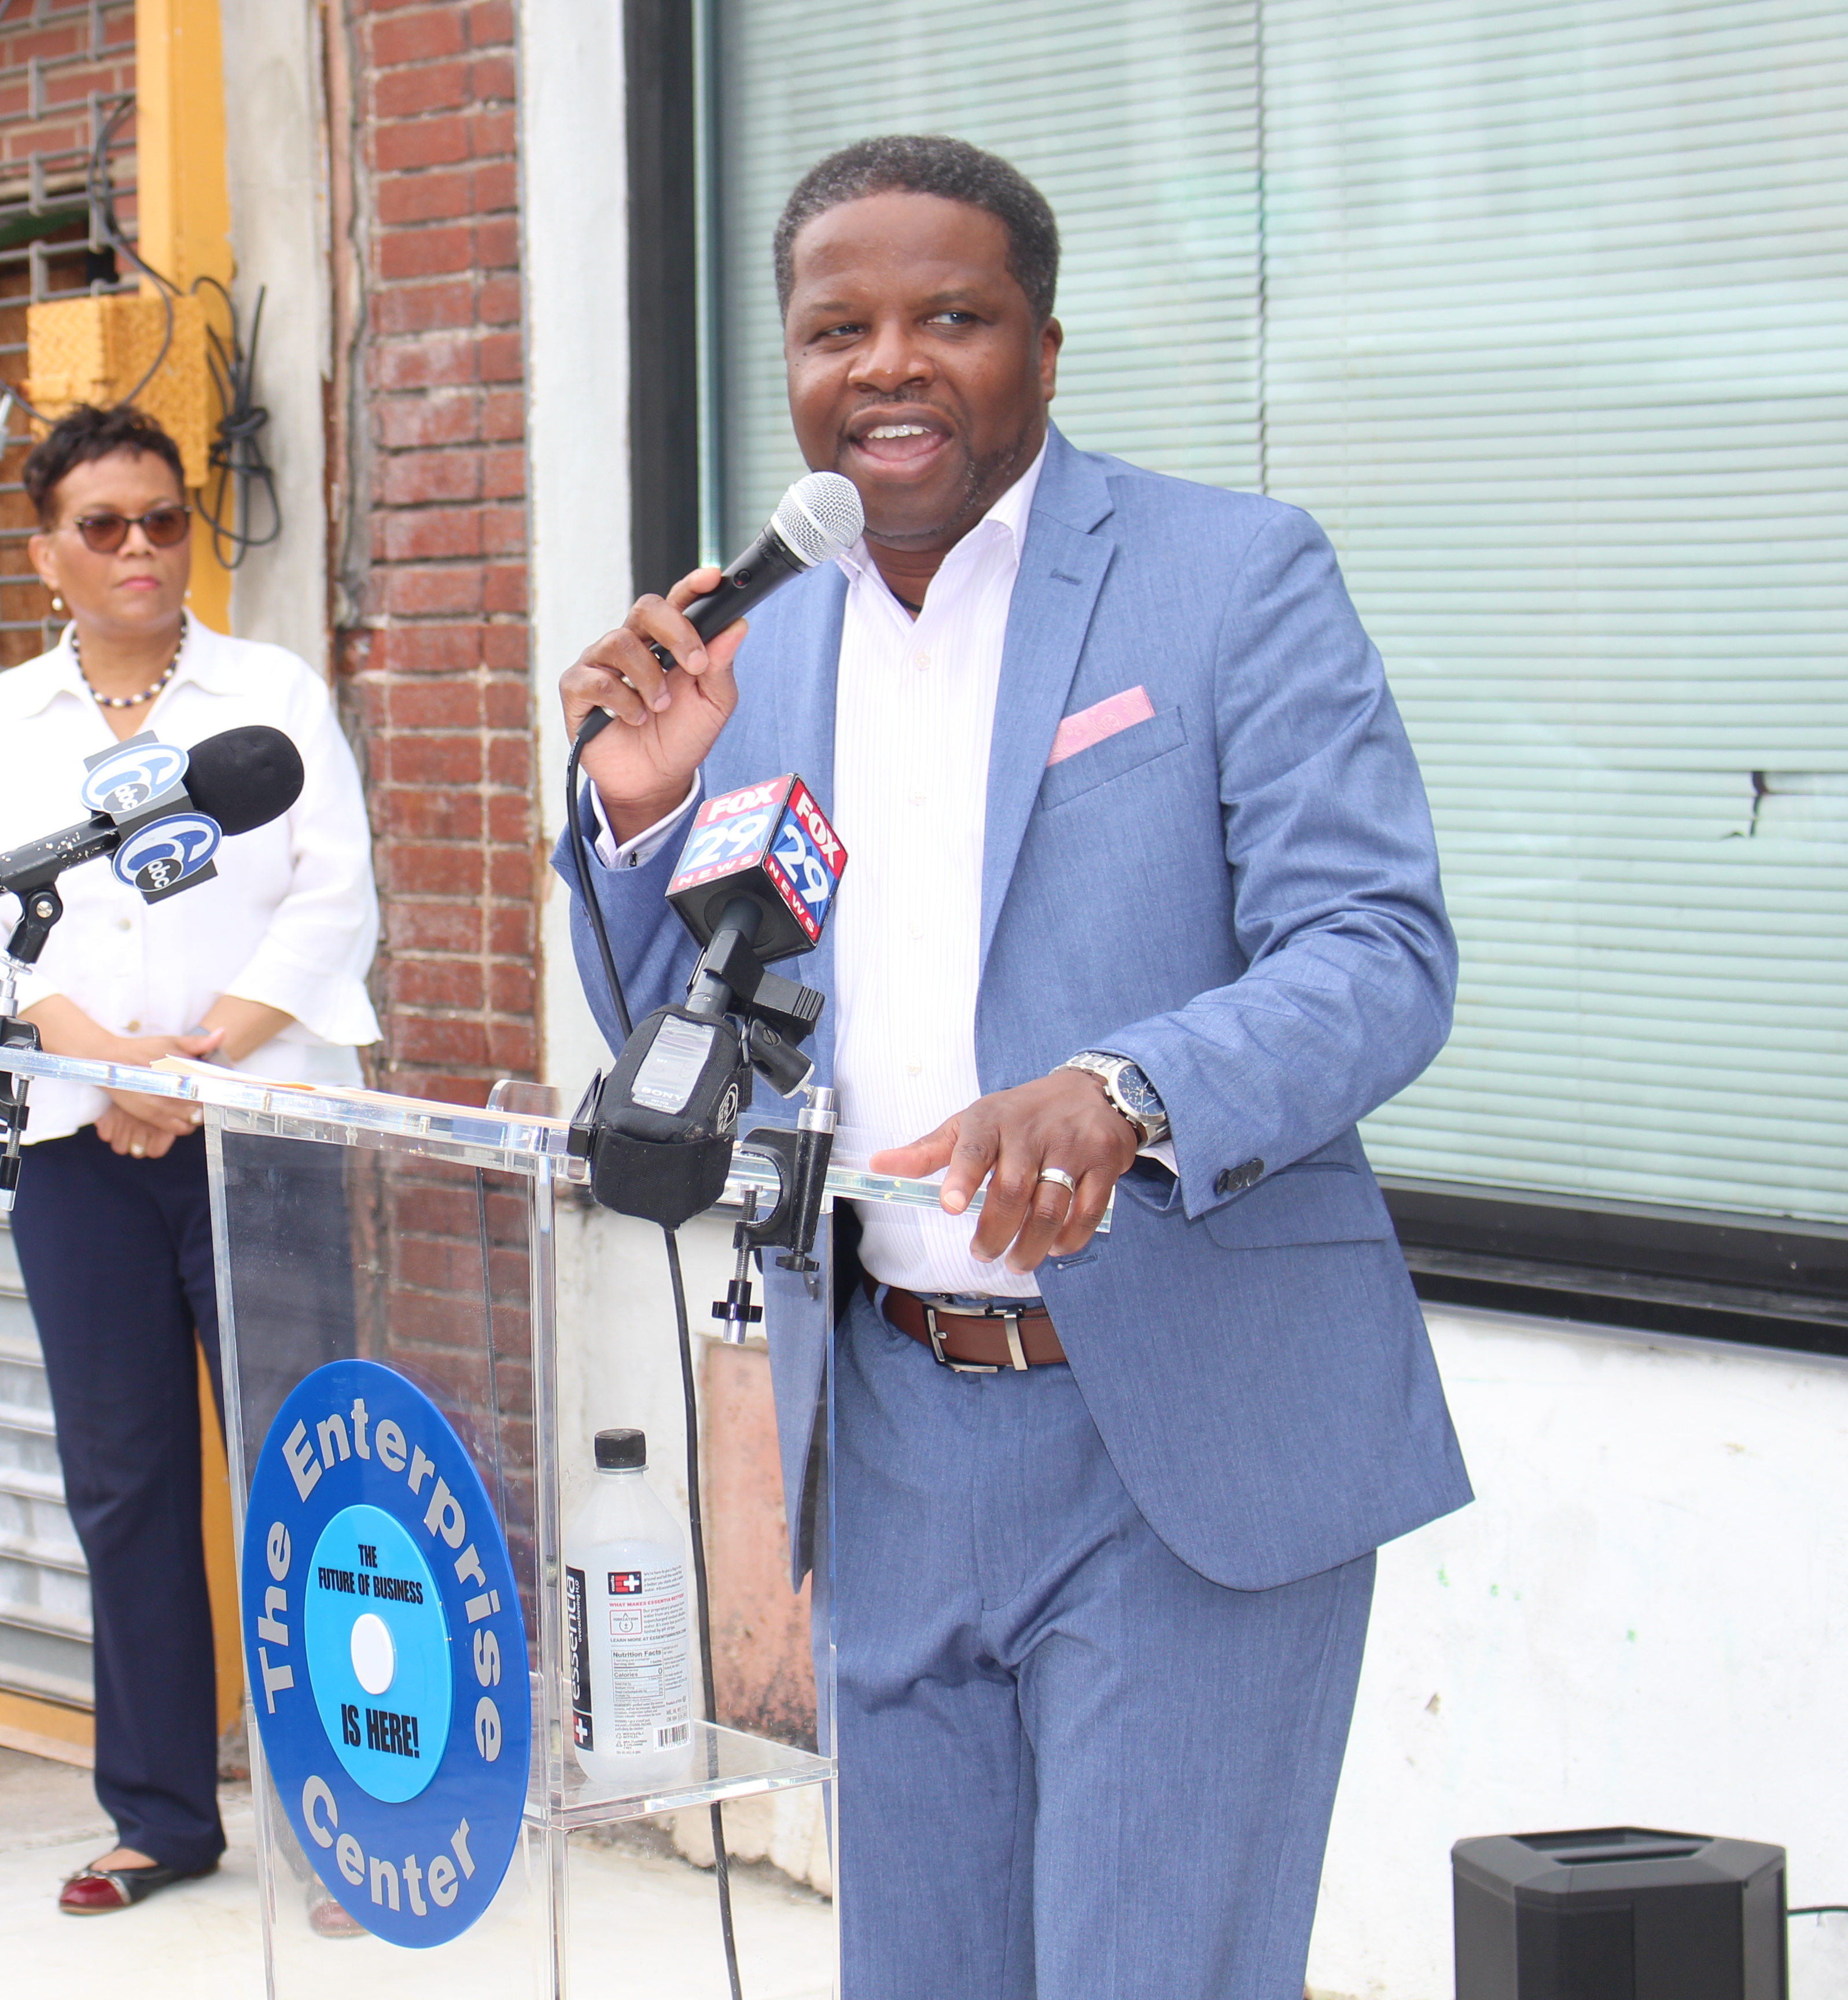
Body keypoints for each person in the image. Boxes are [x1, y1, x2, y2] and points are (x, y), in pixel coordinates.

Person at [557, 137, 1470, 1997]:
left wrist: (1130, 1086)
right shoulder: (758, 645)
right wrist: (638, 822)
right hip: (891, 1429)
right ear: (794, 369)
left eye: (950, 317)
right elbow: (681, 1036)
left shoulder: (1231, 577)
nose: (888, 364)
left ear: (1044, 347)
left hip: (1180, 1425)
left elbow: (1379, 953)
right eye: (839, 328)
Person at [0, 405, 379, 1918]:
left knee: (310, 1479)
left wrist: (201, 1062)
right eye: (101, 525)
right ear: (46, 550)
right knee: (127, 1485)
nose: (138, 550)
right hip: (78, 1147)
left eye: (163, 519)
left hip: (261, 1135)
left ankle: (348, 1818)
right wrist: (98, 1064)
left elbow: (333, 899)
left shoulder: (272, 693)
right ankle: (162, 1814)